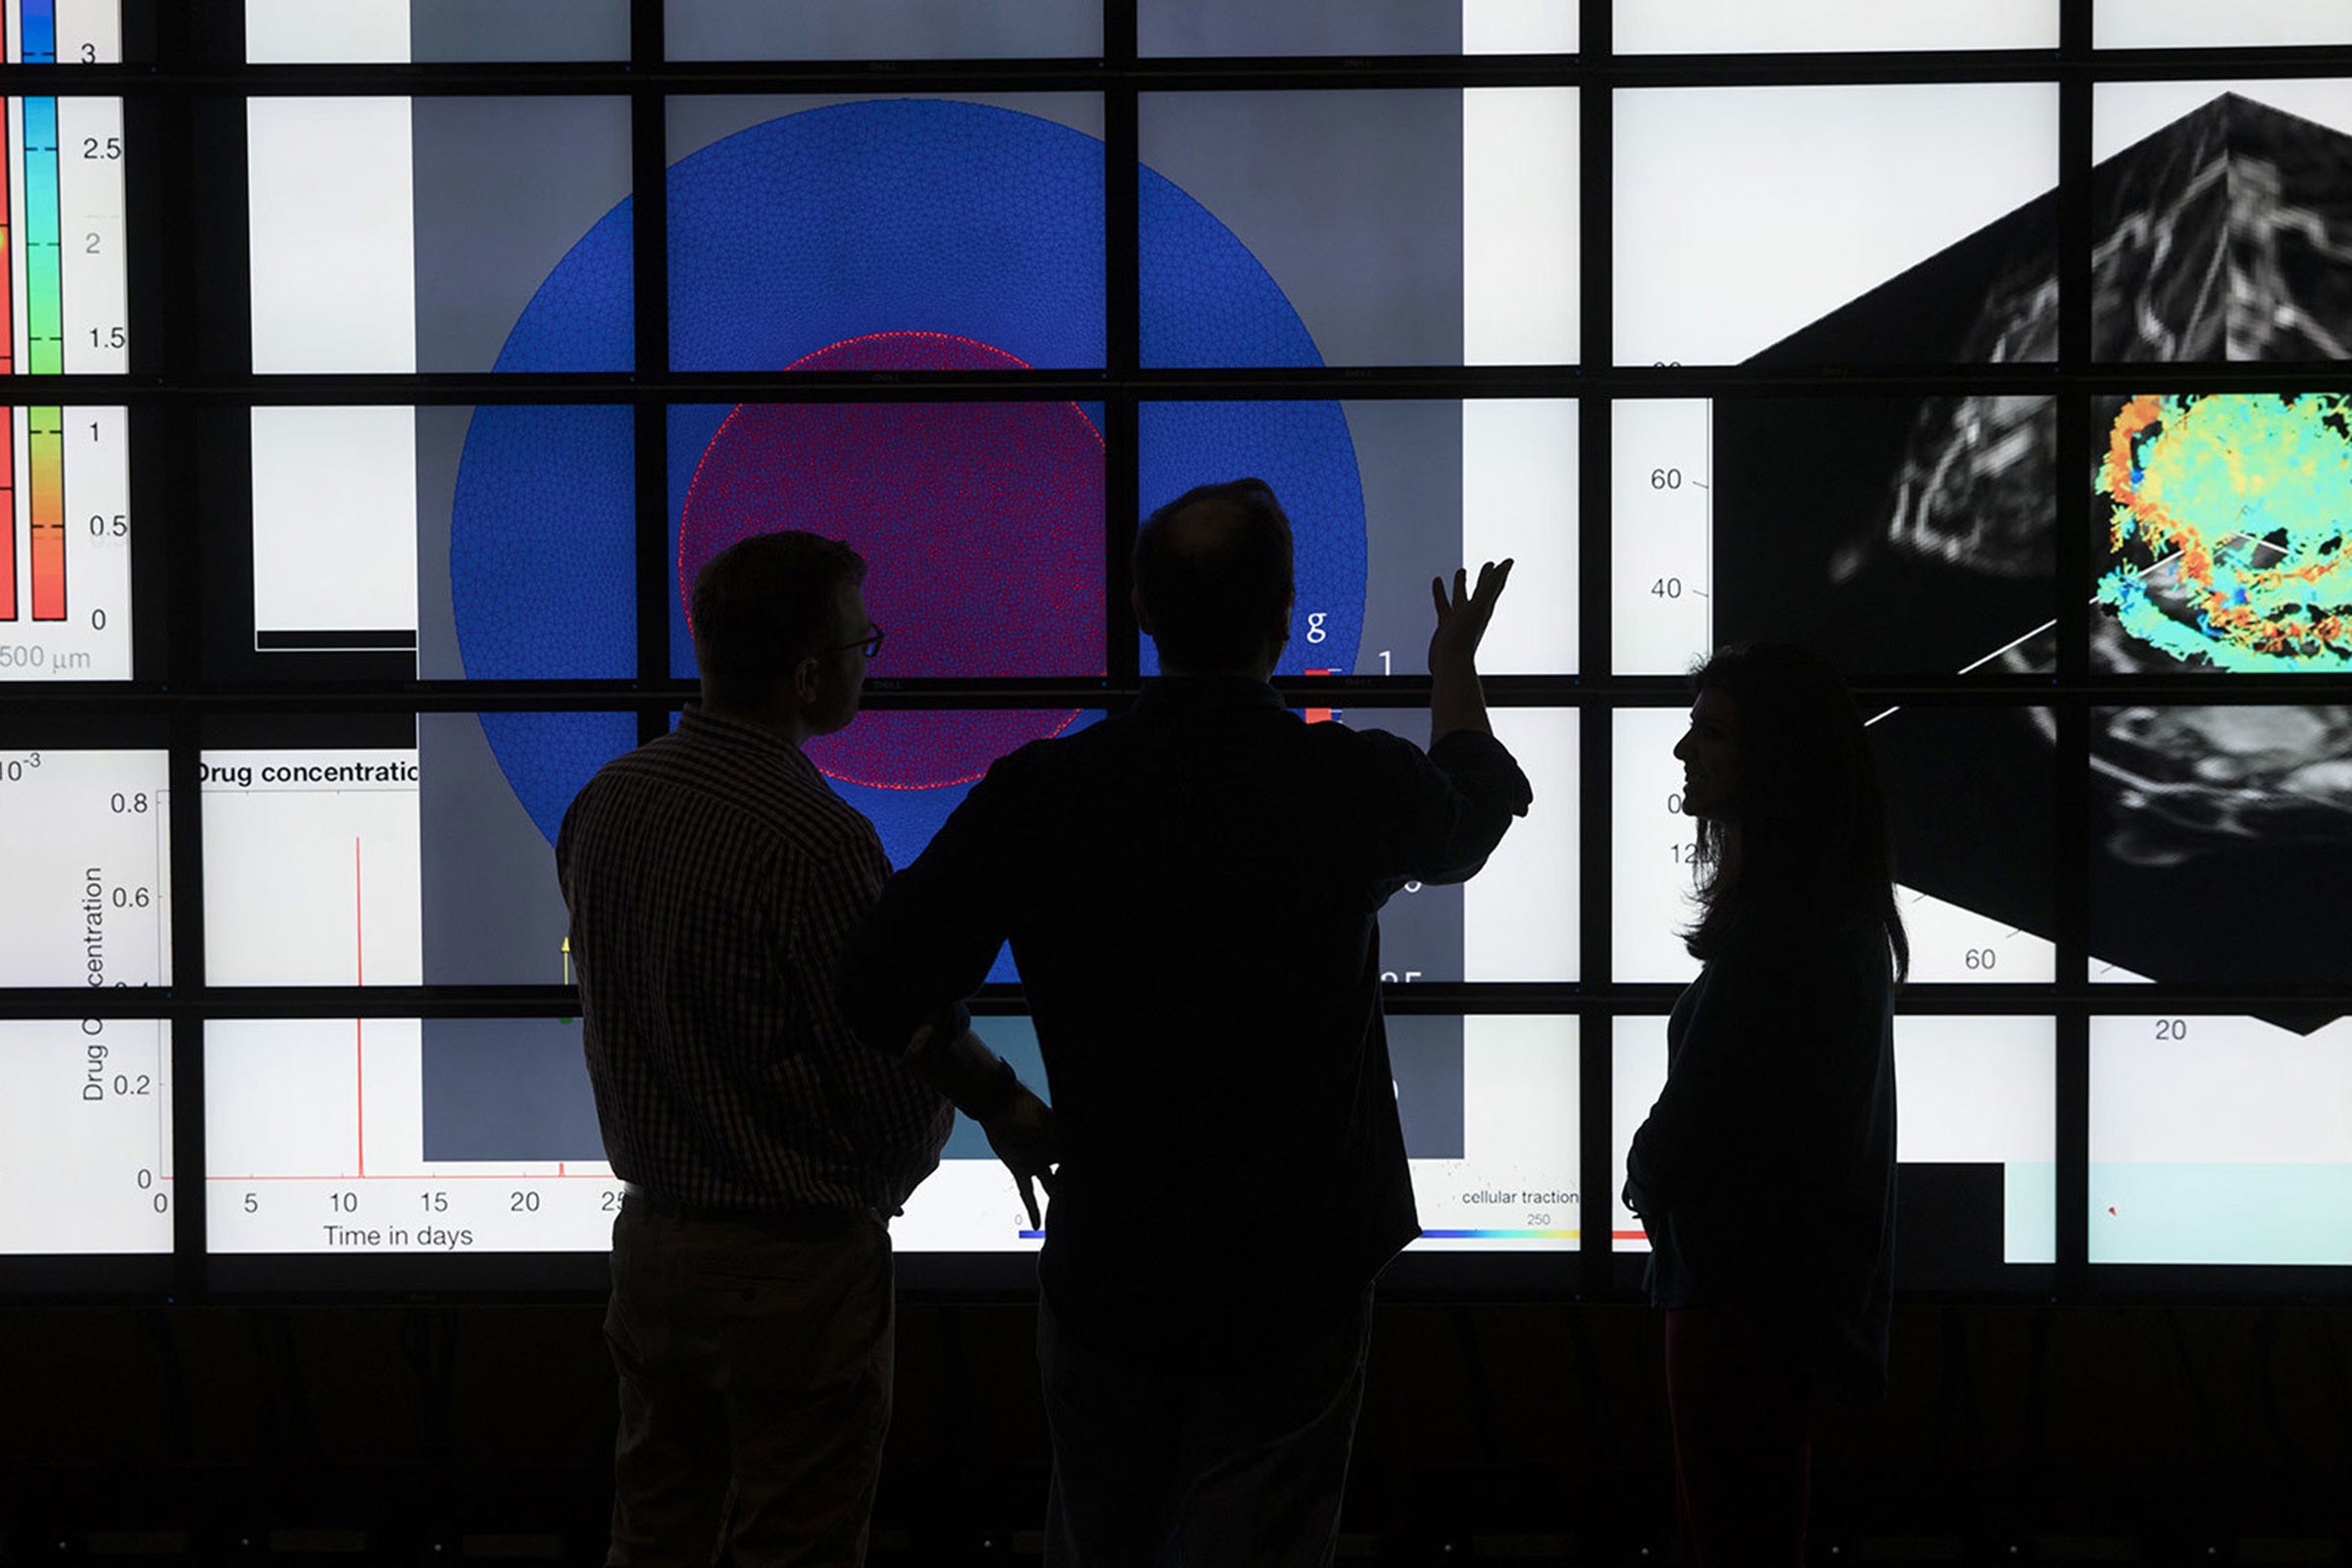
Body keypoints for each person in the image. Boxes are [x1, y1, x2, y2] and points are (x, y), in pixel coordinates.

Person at [838, 477, 1533, 1566]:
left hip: (1113, 1264)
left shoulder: (1045, 793)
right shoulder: (1344, 780)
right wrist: (1452, 671)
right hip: (1294, 1277)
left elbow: (879, 979)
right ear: (1281, 612)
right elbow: (1472, 819)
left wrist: (1003, 1098)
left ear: (1142, 613)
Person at [557, 529, 1053, 1568]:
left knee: (652, 1534)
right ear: (811, 672)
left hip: (651, 1255)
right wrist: (947, 1126)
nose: (872, 658)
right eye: (862, 639)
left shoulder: (604, 806)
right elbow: (880, 1056)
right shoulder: (819, 841)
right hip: (794, 1275)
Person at [1621, 642, 1907, 1566]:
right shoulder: (1832, 916)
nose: (1682, 752)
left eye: (1708, 731)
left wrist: (1648, 1172)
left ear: (1771, 760)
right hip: (1770, 1296)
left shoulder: (1785, 934)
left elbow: (1710, 1106)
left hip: (1734, 1297)